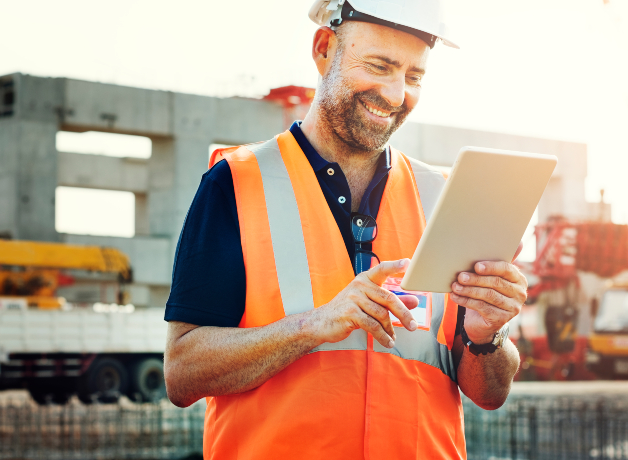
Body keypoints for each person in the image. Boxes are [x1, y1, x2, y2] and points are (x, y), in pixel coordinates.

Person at [163, 1, 526, 458]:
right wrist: (313, 325)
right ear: (323, 49)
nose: (396, 95)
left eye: (414, 76)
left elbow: (489, 393)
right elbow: (183, 373)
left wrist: (487, 334)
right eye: (379, 66)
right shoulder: (235, 183)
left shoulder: (445, 199)